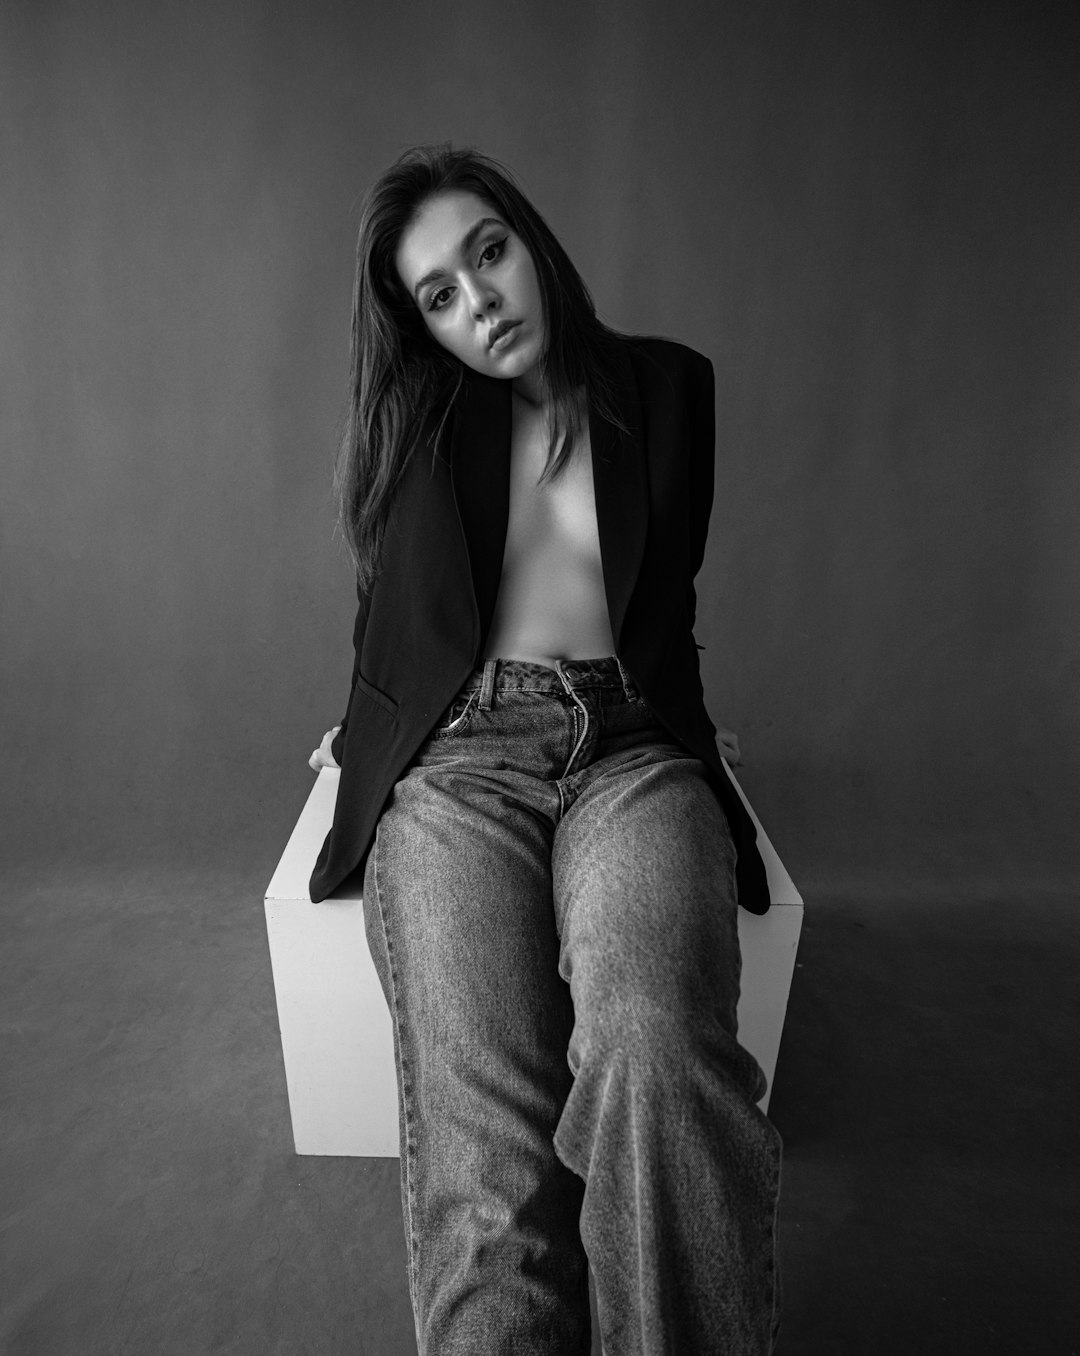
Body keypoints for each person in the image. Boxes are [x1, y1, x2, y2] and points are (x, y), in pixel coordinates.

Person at [307, 144, 782, 1355]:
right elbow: (393, 615)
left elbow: (662, 601)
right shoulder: (421, 416)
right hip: (461, 764)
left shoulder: (671, 391)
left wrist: (690, 724)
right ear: (424, 328)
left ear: (528, 238)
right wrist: (361, 739)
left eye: (488, 254)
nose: (482, 303)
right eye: (441, 298)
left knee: (658, 1046)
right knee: (488, 1138)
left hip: (630, 751)